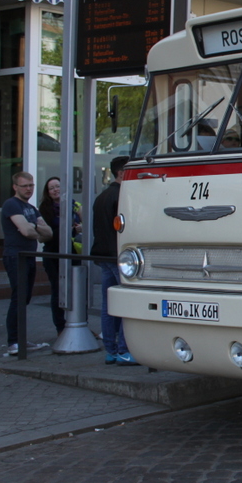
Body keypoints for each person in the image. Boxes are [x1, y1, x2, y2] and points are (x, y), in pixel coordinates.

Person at [90, 156, 138, 366]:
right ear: (121, 173)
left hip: (103, 254)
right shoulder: (121, 196)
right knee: (126, 303)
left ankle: (111, 350)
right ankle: (124, 350)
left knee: (108, 305)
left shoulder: (102, 196)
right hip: (118, 255)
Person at [1, 171, 52, 356]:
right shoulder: (11, 205)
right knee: (18, 298)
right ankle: (13, 342)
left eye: (31, 185)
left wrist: (34, 228)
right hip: (16, 256)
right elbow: (26, 231)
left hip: (29, 255)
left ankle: (20, 339)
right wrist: (35, 228)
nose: (29, 189)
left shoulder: (30, 208)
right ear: (15, 187)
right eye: (25, 186)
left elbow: (48, 233)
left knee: (25, 298)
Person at [38, 177, 82, 335]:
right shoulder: (44, 208)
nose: (56, 190)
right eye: (52, 188)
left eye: (58, 186)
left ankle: (78, 323)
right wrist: (70, 230)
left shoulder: (74, 205)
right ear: (47, 192)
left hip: (72, 251)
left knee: (77, 289)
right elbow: (49, 234)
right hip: (52, 253)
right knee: (58, 290)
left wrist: (80, 227)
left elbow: (85, 223)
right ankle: (60, 327)